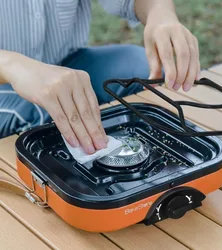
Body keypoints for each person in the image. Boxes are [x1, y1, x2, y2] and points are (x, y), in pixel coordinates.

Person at [0, 0, 200, 154]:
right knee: (39, 113)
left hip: (67, 64)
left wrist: (160, 15)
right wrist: (14, 65)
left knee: (144, 71)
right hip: (5, 82)